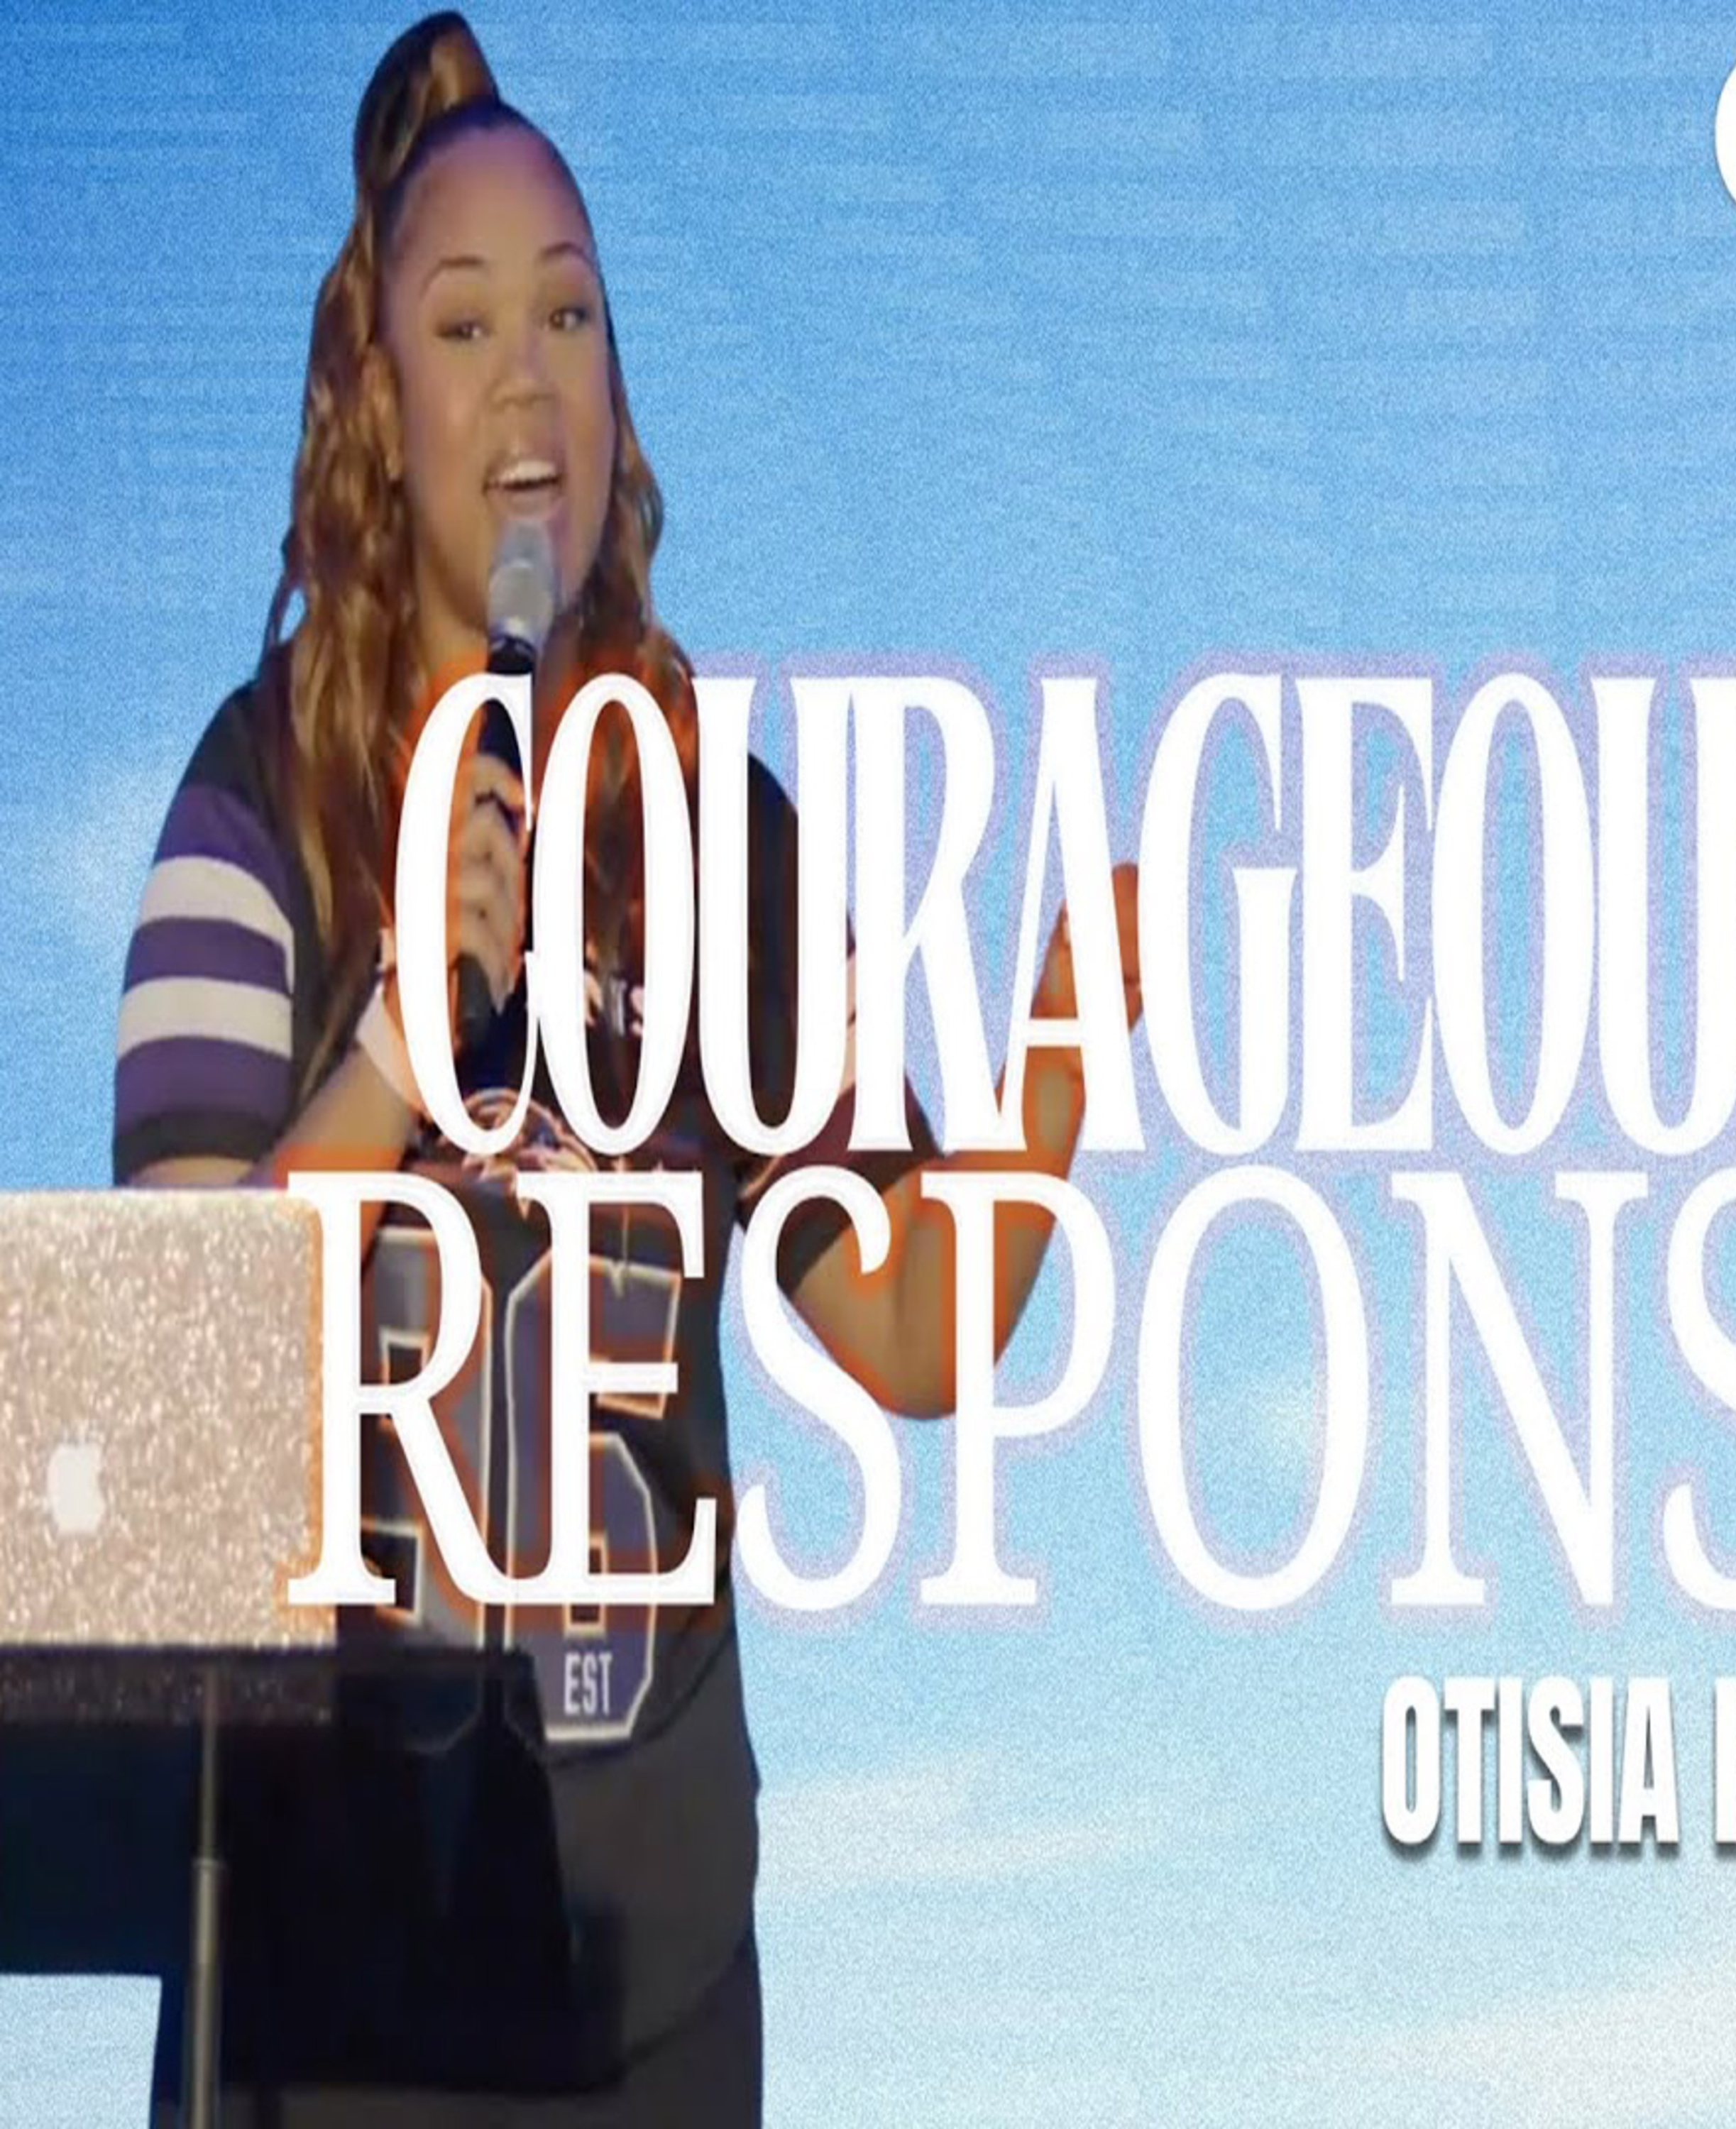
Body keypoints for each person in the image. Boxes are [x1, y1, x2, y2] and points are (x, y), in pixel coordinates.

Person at [111, 14, 1140, 2121]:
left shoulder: (713, 837)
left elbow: (907, 1323)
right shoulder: (255, 802)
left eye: (569, 313)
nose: (529, 376)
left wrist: (1063, 1043)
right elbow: (166, 1405)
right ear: (377, 408)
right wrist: (396, 1047)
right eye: (464, 322)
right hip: (328, 1999)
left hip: (647, 2001)